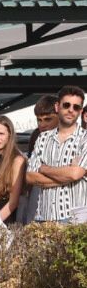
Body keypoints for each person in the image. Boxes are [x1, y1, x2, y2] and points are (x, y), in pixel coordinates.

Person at [25, 85, 87, 224]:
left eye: (76, 107)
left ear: (80, 111)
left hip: (75, 219)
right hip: (44, 217)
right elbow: (30, 176)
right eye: (66, 105)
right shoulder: (42, 138)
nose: (71, 110)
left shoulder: (85, 138)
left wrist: (44, 169)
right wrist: (68, 175)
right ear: (57, 107)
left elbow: (75, 174)